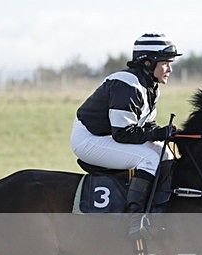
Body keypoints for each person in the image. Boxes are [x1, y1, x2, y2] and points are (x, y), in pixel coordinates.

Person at [71, 33, 181, 237]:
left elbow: (146, 125)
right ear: (148, 62)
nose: (170, 69)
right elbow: (123, 134)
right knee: (149, 158)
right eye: (165, 63)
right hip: (89, 139)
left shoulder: (150, 86)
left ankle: (157, 208)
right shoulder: (127, 85)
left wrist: (171, 135)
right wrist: (160, 133)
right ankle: (135, 220)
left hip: (108, 136)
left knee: (165, 154)